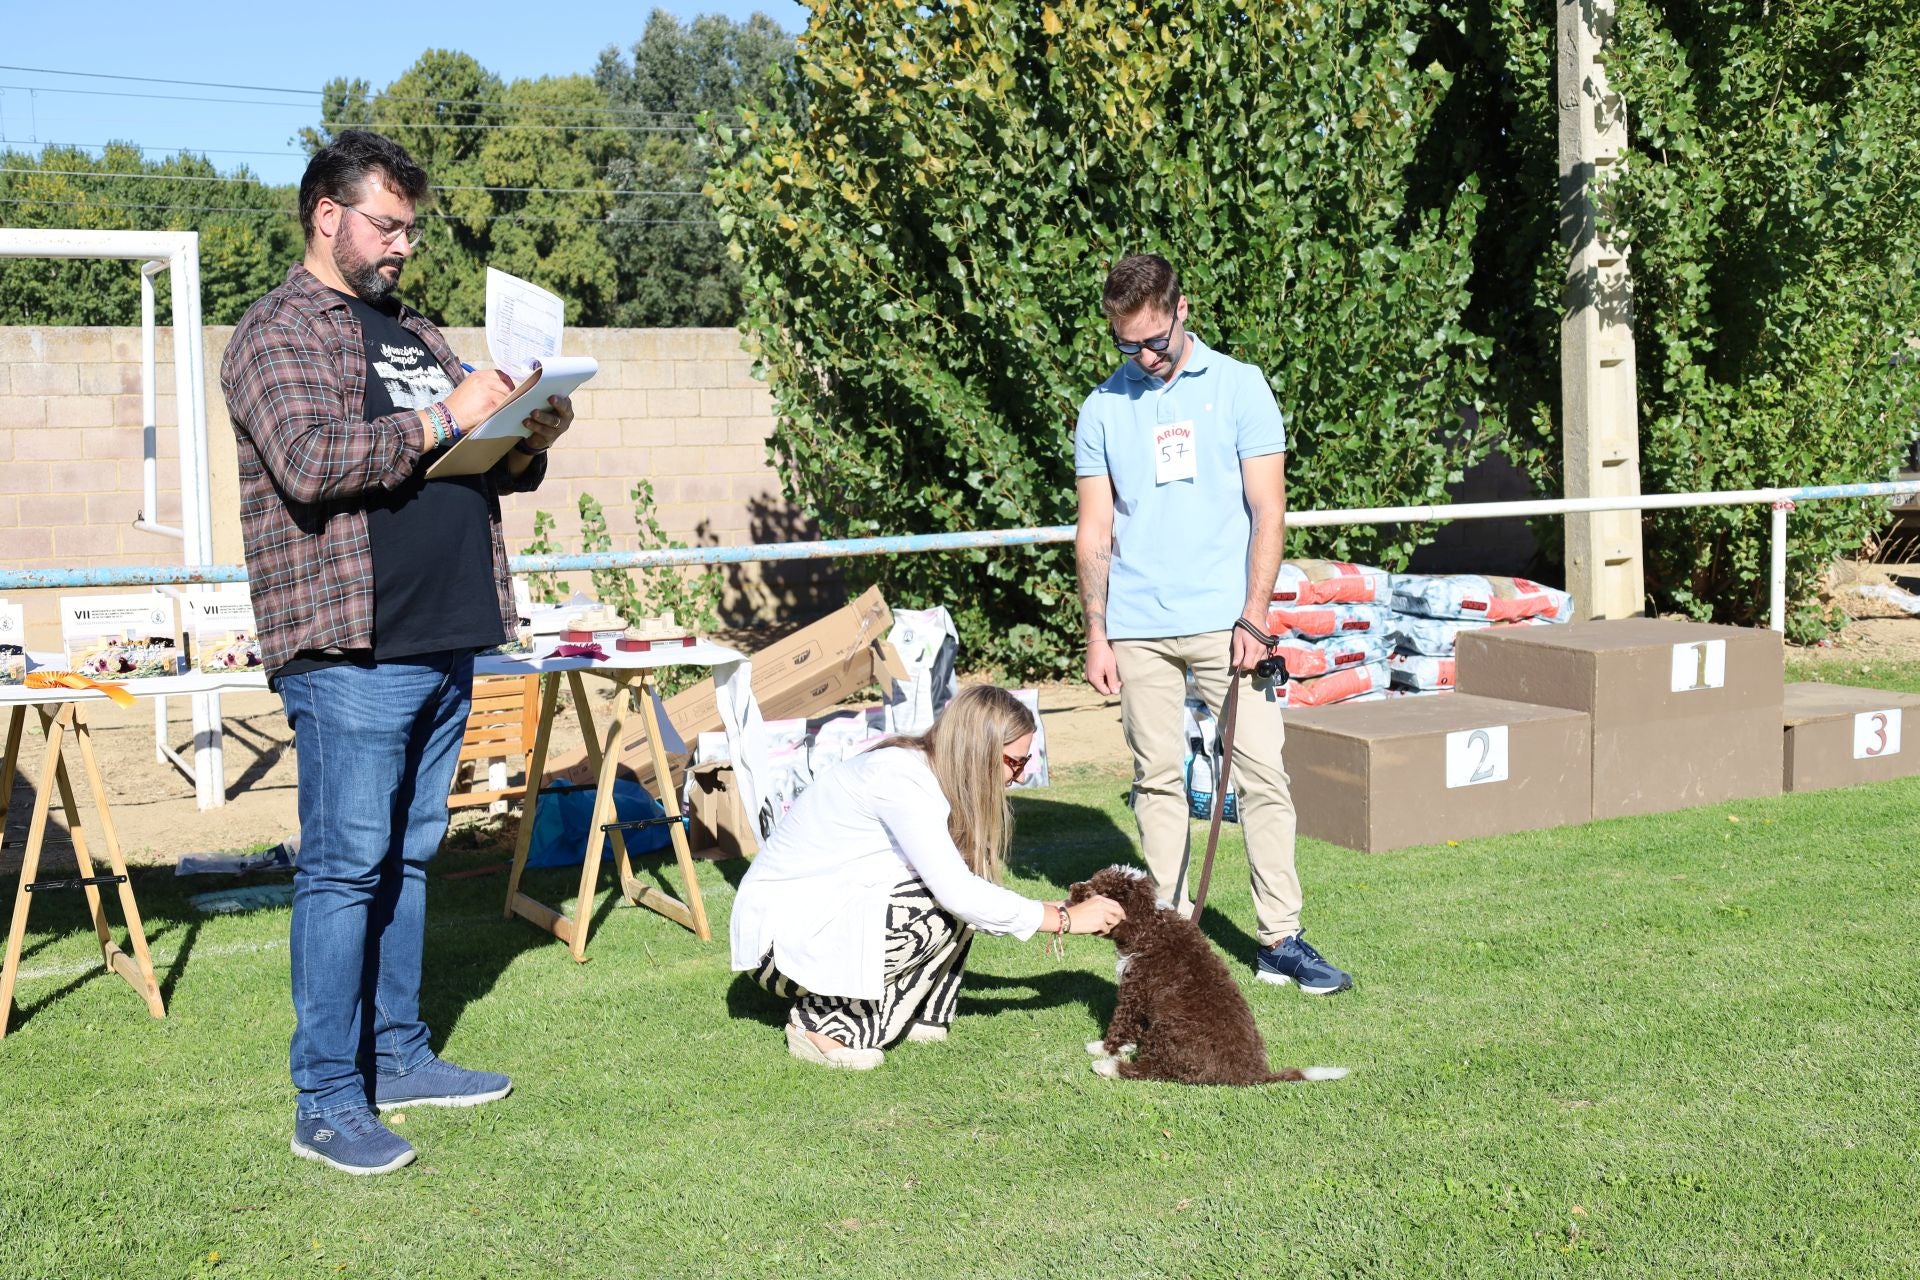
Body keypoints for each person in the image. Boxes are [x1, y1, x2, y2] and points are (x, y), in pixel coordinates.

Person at [221, 130, 574, 1175]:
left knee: (409, 855)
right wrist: (444, 413)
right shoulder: (274, 331)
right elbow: (312, 459)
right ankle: (326, 1097)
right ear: (327, 215)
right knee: (343, 869)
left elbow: (469, 456)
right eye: (387, 225)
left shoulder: (416, 329)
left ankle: (398, 1054)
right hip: (350, 648)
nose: (403, 248)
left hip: (447, 632)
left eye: (412, 230)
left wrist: (521, 435)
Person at [1072, 253, 1353, 995]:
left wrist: (1254, 618)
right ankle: (1164, 941)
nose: (1143, 358)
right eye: (1126, 344)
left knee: (1262, 776)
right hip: (1136, 630)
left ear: (1182, 310)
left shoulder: (1239, 387)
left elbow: (1269, 510)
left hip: (1229, 627)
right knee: (1155, 781)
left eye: (1153, 341)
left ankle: (1280, 941)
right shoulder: (1102, 408)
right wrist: (1099, 632)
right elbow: (1094, 529)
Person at [730, 685, 1127, 1070]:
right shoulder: (901, 779)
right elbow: (960, 894)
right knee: (943, 900)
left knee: (962, 890)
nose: (1020, 777)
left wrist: (1053, 909)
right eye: (1014, 761)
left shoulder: (919, 769)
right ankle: (822, 1024)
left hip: (810, 923)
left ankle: (921, 1013)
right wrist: (1065, 919)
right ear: (978, 751)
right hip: (775, 949)